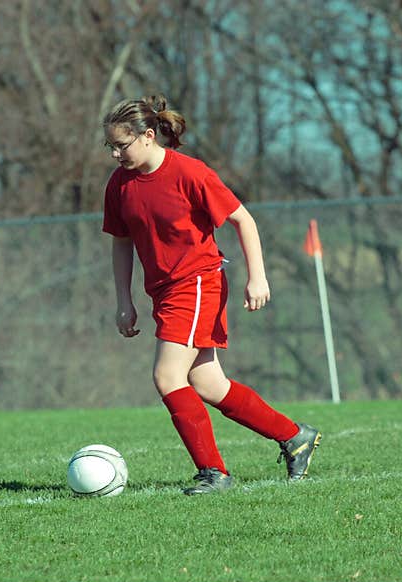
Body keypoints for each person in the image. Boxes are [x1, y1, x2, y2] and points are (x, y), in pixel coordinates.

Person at [101, 95, 321, 495]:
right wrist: (124, 301)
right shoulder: (119, 185)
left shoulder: (190, 173)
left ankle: (213, 473)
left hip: (198, 282)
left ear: (148, 136)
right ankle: (295, 437)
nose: (116, 154)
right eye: (110, 147)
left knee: (167, 376)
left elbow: (243, 219)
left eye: (122, 145)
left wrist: (258, 277)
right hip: (163, 292)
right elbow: (121, 243)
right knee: (208, 385)